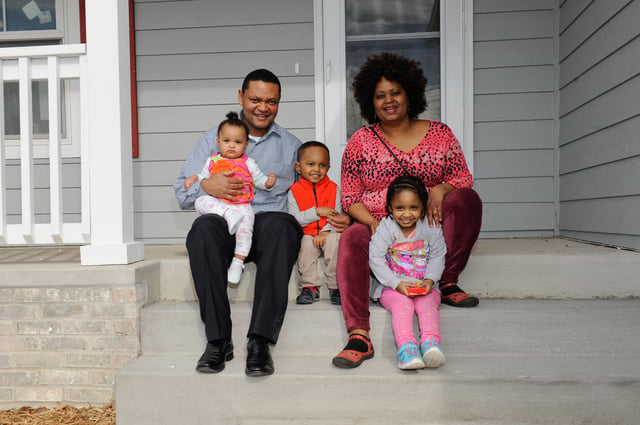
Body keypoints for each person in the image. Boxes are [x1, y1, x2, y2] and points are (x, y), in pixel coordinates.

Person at [174, 69, 350, 376]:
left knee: (283, 225)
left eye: (272, 101)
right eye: (255, 99)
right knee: (201, 230)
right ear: (240, 97)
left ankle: (260, 341)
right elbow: (181, 191)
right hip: (226, 222)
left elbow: (318, 185)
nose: (263, 107)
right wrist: (206, 186)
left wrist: (336, 214)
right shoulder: (212, 139)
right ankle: (218, 341)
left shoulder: (291, 145)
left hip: (268, 226)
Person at [332, 52, 482, 369]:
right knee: (351, 238)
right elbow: (349, 196)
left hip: (429, 229)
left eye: (395, 92)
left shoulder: (440, 133)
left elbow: (463, 177)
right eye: (380, 95)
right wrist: (372, 224)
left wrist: (440, 189)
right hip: (381, 228)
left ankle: (448, 282)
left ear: (409, 93)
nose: (389, 100)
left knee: (467, 198)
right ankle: (359, 333)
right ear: (369, 102)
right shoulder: (360, 141)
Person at [183, 112, 277, 284]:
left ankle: (237, 262)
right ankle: (227, 214)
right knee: (200, 201)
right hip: (219, 205)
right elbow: (203, 176)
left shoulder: (249, 163)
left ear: (246, 145)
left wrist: (268, 182)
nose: (232, 146)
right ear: (218, 142)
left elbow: (259, 180)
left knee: (246, 230)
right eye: (227, 141)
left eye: (238, 142)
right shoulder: (212, 161)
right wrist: (194, 178)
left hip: (242, 206)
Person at [369, 175, 446, 370]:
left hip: (423, 285)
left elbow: (438, 256)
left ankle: (430, 344)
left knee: (427, 303)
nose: (406, 214)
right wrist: (396, 283)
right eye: (400, 208)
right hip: (392, 287)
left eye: (414, 208)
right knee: (402, 304)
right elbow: (376, 258)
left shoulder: (430, 227)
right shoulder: (386, 228)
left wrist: (430, 280)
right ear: (390, 208)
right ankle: (407, 348)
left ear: (423, 208)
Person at [287, 141, 345, 305]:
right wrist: (317, 211)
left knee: (335, 242)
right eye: (310, 164)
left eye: (322, 165)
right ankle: (309, 286)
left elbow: (338, 214)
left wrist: (326, 231)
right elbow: (295, 218)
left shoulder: (334, 188)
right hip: (307, 233)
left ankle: (336, 286)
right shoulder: (294, 191)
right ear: (299, 168)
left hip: (329, 232)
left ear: (328, 167)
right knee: (305, 246)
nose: (316, 169)